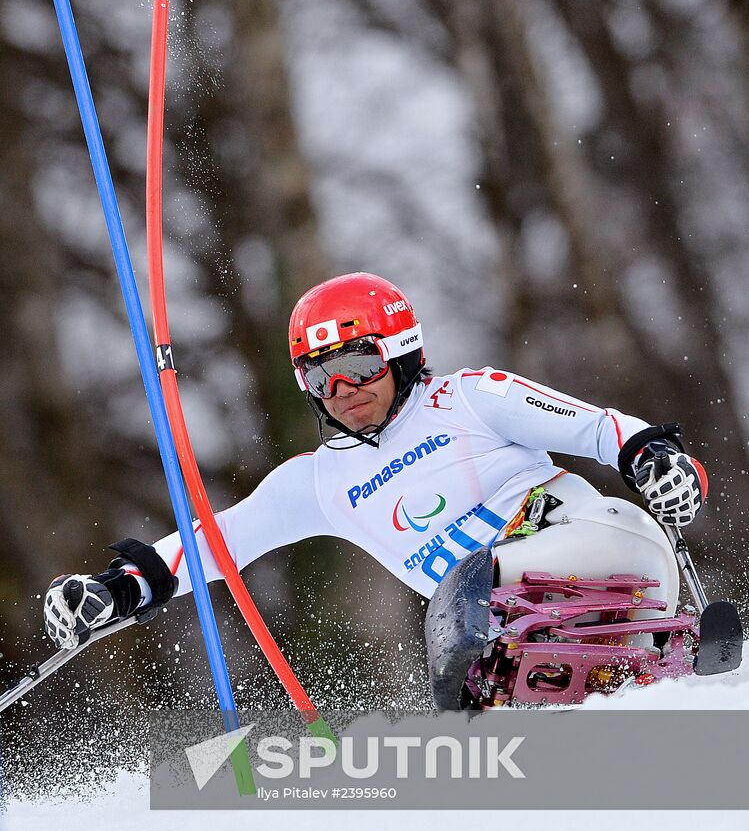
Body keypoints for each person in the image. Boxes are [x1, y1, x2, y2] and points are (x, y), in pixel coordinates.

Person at [43, 272, 708, 656]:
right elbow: (214, 544)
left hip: (606, 550)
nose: (343, 390)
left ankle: (641, 640)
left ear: (400, 353)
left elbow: (601, 430)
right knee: (459, 614)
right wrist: (121, 588)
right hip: (498, 627)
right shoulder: (318, 482)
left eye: (359, 365)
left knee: (470, 594)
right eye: (320, 378)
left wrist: (654, 458)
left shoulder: (469, 398)